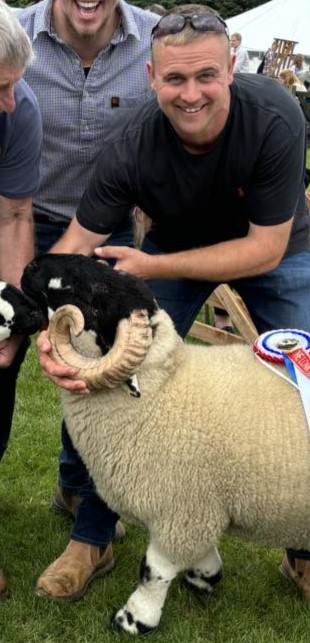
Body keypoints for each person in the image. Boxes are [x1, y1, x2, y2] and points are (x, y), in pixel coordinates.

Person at [34, 3, 310, 625]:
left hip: (272, 249)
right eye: (174, 80)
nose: (190, 94)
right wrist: (21, 298)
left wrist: (151, 270)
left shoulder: (277, 118)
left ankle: (306, 554)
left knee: (307, 389)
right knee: (112, 385)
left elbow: (263, 248)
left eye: (205, 75)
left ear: (232, 66)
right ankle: (92, 537)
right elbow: (77, 240)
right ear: (150, 79)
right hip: (172, 249)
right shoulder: (129, 142)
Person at [18, 0, 158, 600]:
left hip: (108, 233)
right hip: (16, 216)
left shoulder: (158, 39)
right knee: (3, 353)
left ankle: (87, 516)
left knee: (100, 375)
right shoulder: (14, 37)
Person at [0, 0, 43, 602]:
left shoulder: (20, 111)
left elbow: (12, 217)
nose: (10, 101)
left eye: (13, 85)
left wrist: (7, 317)